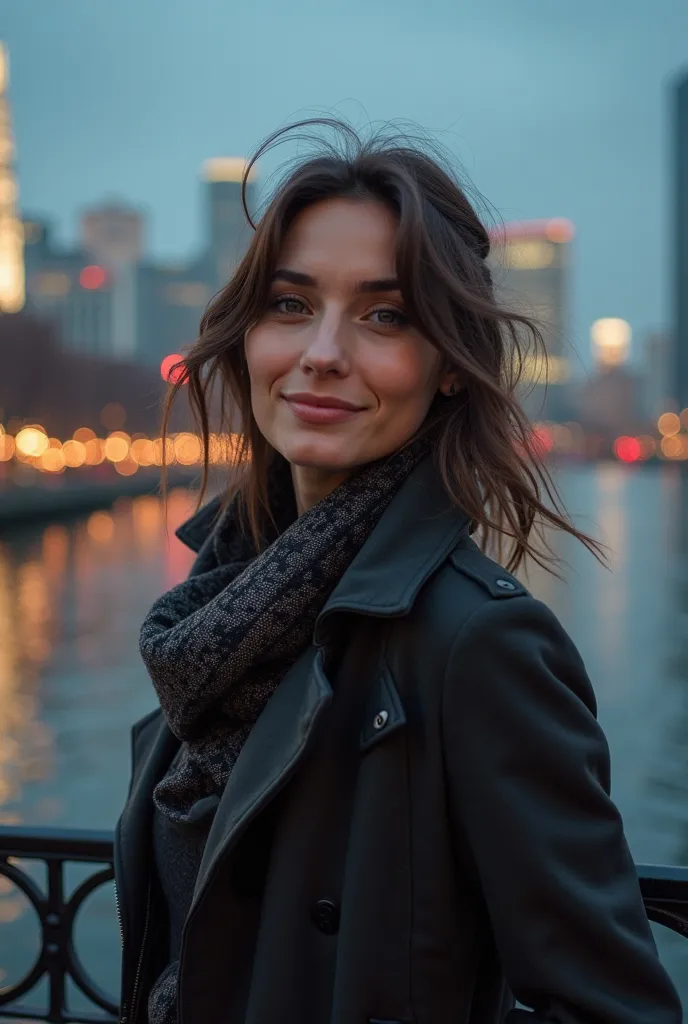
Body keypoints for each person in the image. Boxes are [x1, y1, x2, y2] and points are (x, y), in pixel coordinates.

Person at [114, 120, 682, 1024]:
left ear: (449, 367)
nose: (323, 352)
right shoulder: (212, 613)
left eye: (385, 315)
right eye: (291, 304)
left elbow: (612, 1004)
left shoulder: (478, 645)